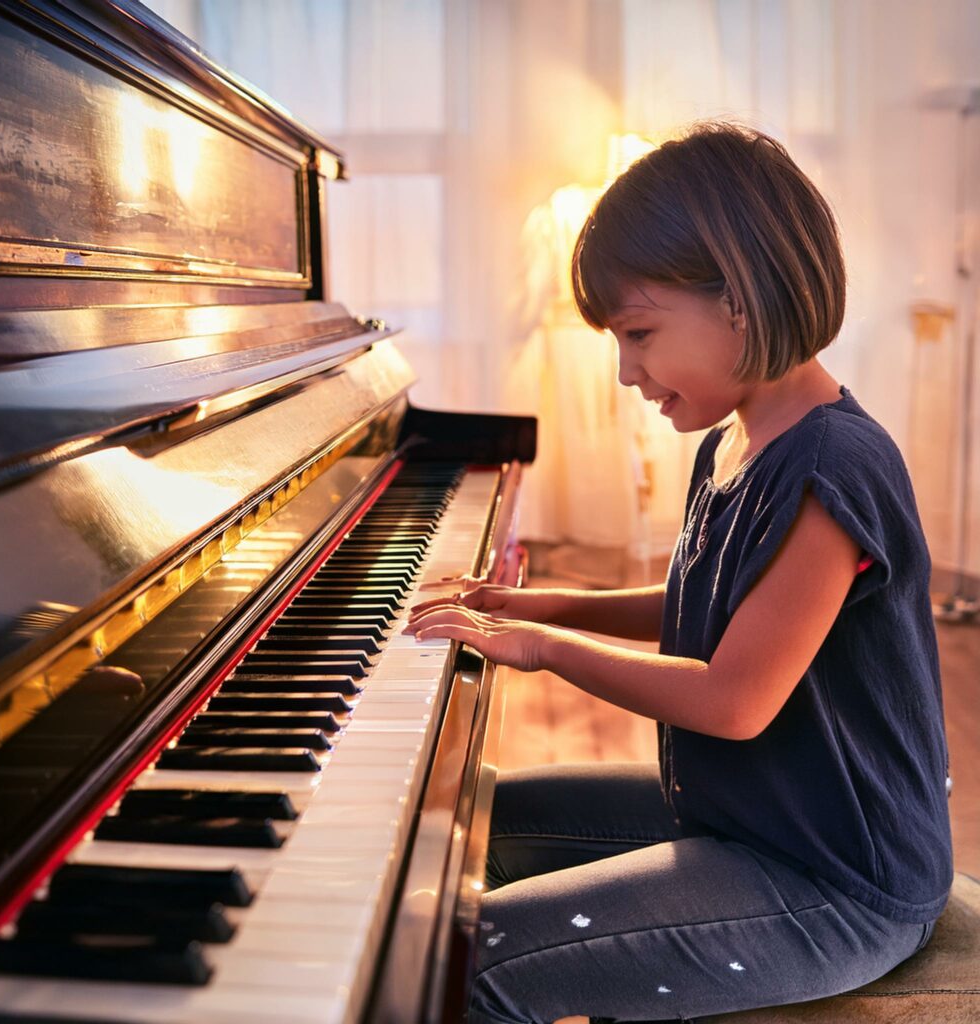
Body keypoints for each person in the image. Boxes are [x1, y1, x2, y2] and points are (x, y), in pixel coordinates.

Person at [406, 122, 953, 1024]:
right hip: (748, 820)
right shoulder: (734, 442)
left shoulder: (833, 469)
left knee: (464, 964)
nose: (626, 371)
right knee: (453, 833)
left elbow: (733, 699)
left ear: (737, 300)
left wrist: (543, 647)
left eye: (640, 333)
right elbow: (703, 606)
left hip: (836, 879)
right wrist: (527, 600)